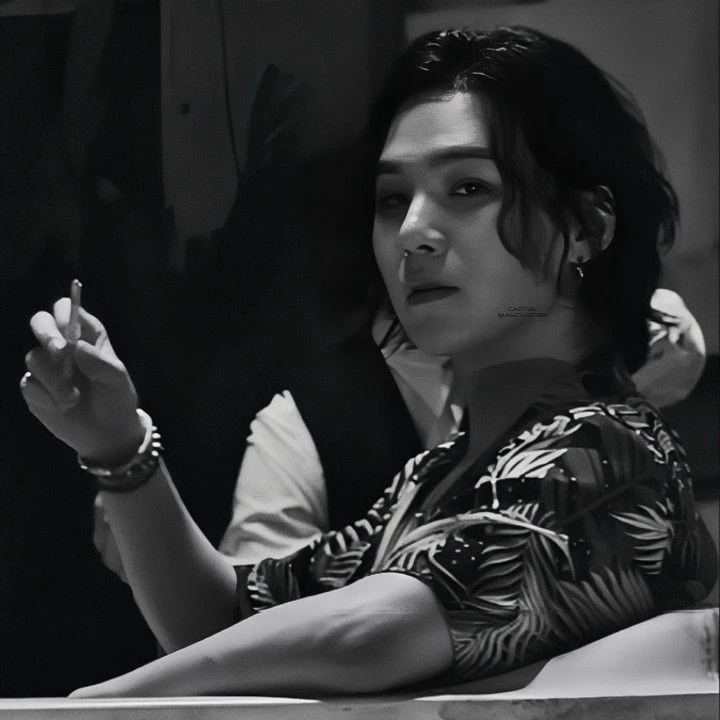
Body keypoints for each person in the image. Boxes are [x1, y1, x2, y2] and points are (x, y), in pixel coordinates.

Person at [21, 27, 717, 696]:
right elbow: (225, 620)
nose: (412, 231)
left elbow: (374, 631)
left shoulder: (606, 449)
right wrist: (119, 447)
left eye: (468, 188)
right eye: (392, 199)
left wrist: (103, 703)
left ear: (587, 226)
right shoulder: (438, 473)